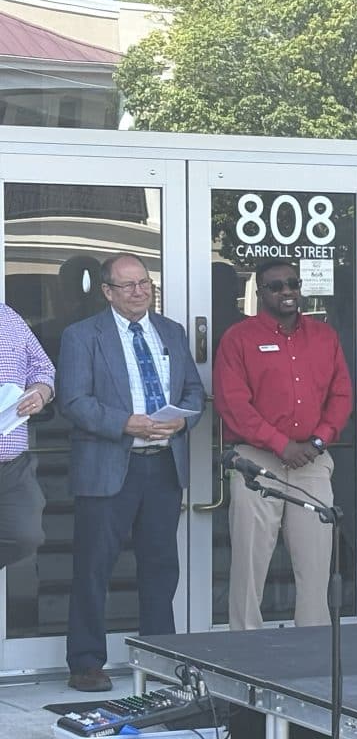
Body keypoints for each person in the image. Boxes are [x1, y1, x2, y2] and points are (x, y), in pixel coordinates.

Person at [58, 253, 205, 692]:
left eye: (145, 283)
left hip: (161, 465)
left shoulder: (172, 332)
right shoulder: (82, 336)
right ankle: (86, 662)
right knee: (93, 568)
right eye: (129, 285)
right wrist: (126, 422)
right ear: (107, 292)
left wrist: (184, 419)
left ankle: (162, 658)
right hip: (107, 467)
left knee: (162, 567)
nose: (140, 292)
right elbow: (73, 401)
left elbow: (194, 390)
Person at [214, 260, 352, 631]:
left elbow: (341, 395)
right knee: (249, 564)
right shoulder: (238, 339)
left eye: (292, 283)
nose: (286, 291)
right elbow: (233, 405)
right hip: (256, 463)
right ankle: (246, 652)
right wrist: (280, 444)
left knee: (315, 564)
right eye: (276, 286)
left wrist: (319, 439)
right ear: (260, 293)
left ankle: (312, 651)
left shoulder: (324, 337)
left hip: (311, 461)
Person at [0, 303, 54, 570]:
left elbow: (42, 368)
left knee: (25, 536)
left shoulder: (9, 316)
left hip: (11, 462)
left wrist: (40, 392)